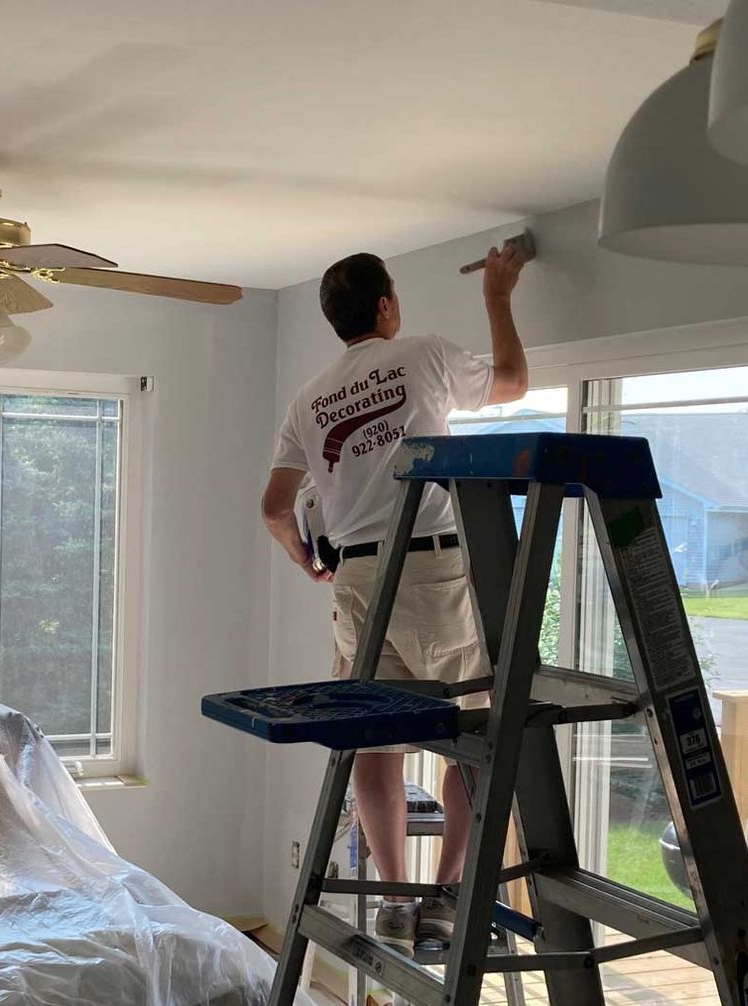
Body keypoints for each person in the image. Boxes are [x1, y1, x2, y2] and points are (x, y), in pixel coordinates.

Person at [261, 243, 527, 951]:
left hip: (357, 580)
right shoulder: (423, 355)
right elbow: (511, 380)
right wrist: (498, 295)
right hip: (432, 573)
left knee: (375, 746)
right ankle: (444, 896)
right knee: (474, 739)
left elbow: (274, 507)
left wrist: (307, 561)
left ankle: (396, 895)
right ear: (385, 306)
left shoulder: (310, 397)